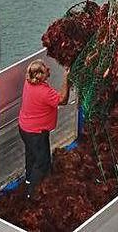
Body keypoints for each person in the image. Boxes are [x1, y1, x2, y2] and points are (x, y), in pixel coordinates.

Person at [18, 59, 71, 198]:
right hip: (36, 133)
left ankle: (29, 181)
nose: (49, 69)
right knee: (42, 162)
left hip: (25, 129)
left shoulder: (28, 83)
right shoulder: (44, 92)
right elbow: (63, 100)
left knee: (31, 157)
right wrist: (67, 77)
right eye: (46, 69)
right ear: (40, 76)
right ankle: (32, 194)